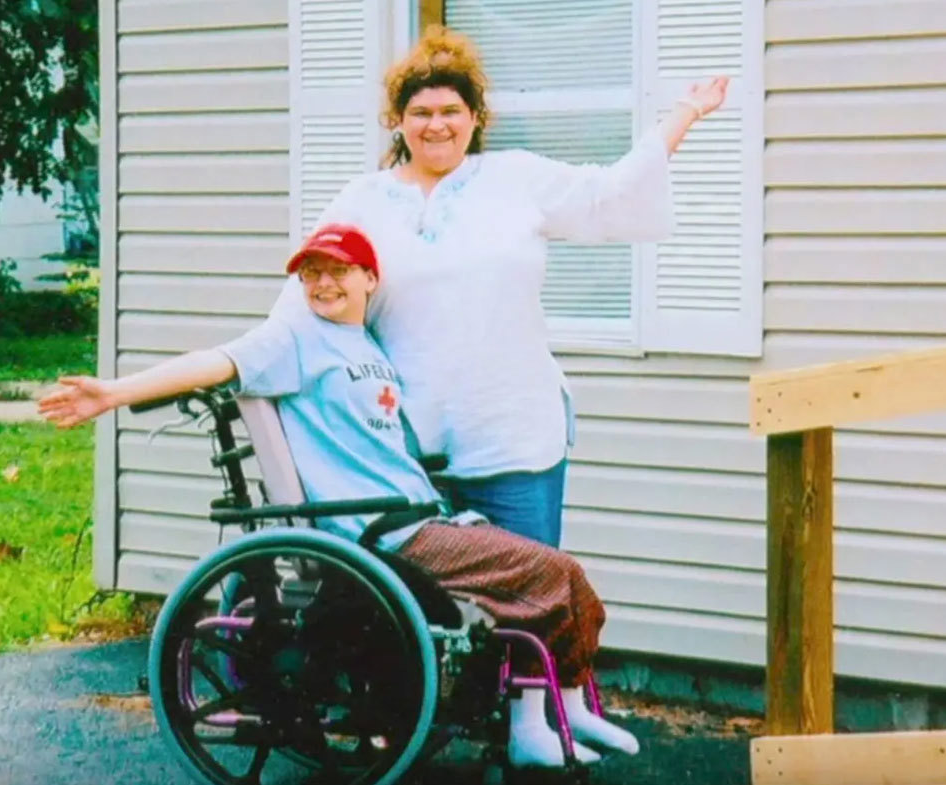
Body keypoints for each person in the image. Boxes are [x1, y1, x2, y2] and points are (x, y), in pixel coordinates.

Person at [38, 225, 639, 769]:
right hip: (383, 534)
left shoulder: (368, 348)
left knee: (559, 583)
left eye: (338, 271)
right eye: (311, 274)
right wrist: (112, 393)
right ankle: (536, 727)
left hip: (420, 516)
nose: (323, 284)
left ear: (370, 280)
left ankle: (563, 707)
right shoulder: (293, 339)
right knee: (552, 573)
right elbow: (214, 361)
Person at [270, 26, 729, 547]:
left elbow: (610, 194)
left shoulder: (516, 178)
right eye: (421, 113)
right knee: (431, 620)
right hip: (409, 452)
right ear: (397, 122)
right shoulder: (362, 200)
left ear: (475, 118)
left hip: (515, 442)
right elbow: (301, 305)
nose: (436, 125)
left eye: (451, 112)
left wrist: (684, 113)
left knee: (528, 606)